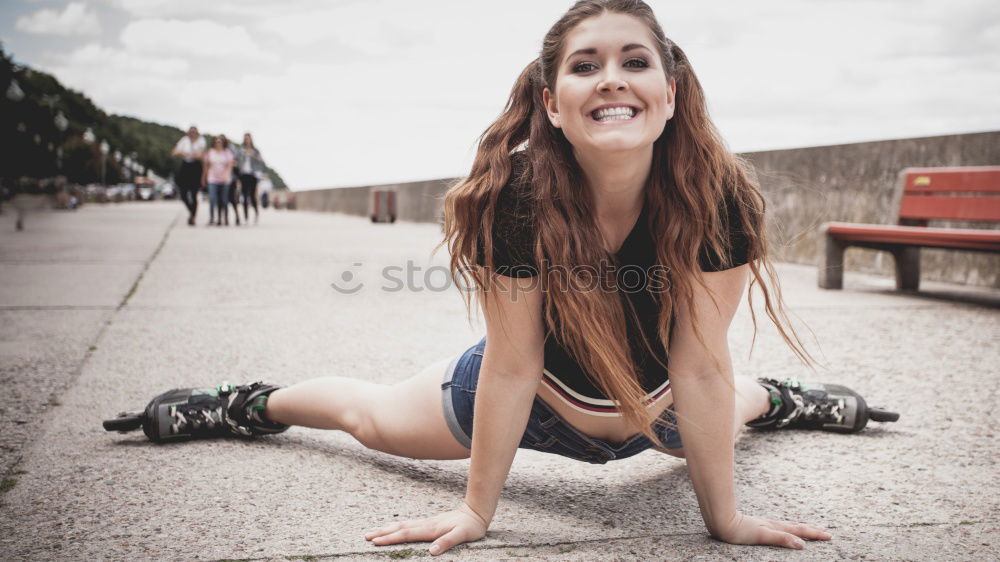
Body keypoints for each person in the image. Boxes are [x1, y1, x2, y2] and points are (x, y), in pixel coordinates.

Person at [104, 1, 899, 556]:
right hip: (533, 402)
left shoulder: (718, 199)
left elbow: (699, 365)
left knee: (736, 398)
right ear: (553, 104)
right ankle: (245, 403)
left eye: (635, 61)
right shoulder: (514, 201)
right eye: (586, 66)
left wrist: (723, 520)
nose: (612, 78)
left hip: (658, 409)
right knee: (370, 420)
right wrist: (477, 510)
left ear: (670, 92)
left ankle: (794, 399)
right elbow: (514, 364)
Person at [171, 126, 205, 226]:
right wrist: (187, 153)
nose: (193, 133)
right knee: (183, 194)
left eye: (195, 132)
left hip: (196, 168)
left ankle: (193, 217)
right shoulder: (184, 140)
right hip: (186, 167)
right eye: (191, 131)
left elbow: (199, 155)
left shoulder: (201, 140)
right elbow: (174, 152)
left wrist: (184, 153)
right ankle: (191, 211)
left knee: (194, 194)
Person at [201, 135, 234, 226]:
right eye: (217, 142)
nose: (218, 143)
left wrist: (226, 175)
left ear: (223, 143)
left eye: (220, 142)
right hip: (212, 178)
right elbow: (206, 166)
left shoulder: (227, 153)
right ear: (214, 143)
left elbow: (230, 166)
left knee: (224, 200)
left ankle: (225, 218)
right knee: (212, 198)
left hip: (225, 179)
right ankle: (212, 218)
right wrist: (203, 178)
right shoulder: (210, 152)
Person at [235, 132, 266, 224]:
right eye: (245, 138)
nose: (247, 140)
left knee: (252, 196)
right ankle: (246, 218)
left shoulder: (255, 150)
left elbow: (261, 162)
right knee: (244, 196)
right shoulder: (240, 150)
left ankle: (256, 213)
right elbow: (237, 161)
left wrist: (253, 155)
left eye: (248, 138)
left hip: (253, 174)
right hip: (243, 174)